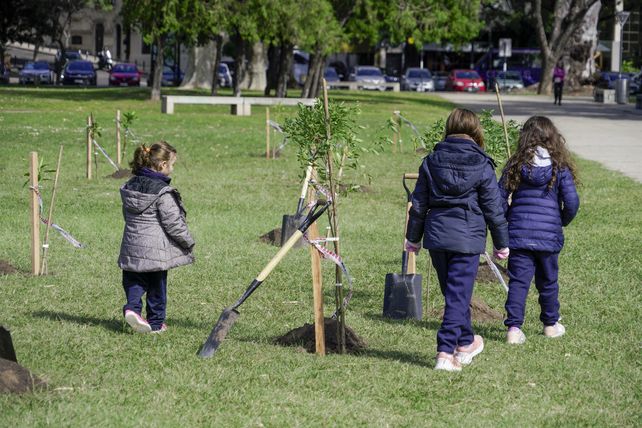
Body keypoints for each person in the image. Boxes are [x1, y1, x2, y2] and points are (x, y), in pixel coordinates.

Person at [405, 108, 509, 372]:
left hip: (438, 238)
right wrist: (501, 243)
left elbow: (418, 204)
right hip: (467, 239)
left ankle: (466, 342)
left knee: (454, 296)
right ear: (475, 130)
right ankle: (444, 352)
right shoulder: (483, 164)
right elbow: (494, 208)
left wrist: (413, 239)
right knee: (457, 297)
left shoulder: (431, 161)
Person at [498, 116, 579, 345]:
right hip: (548, 237)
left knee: (518, 282)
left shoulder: (516, 163)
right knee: (549, 281)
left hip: (519, 234)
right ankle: (550, 325)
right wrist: (560, 220)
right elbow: (572, 202)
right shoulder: (559, 166)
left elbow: (498, 198)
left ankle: (514, 329)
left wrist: (508, 217)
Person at [118, 141, 195, 334]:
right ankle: (155, 323)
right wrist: (187, 241)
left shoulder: (129, 186)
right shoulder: (163, 193)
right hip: (155, 251)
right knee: (156, 287)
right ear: (162, 165)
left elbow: (128, 215)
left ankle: (132, 309)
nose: (173, 168)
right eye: (172, 164)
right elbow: (174, 223)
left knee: (134, 281)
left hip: (131, 246)